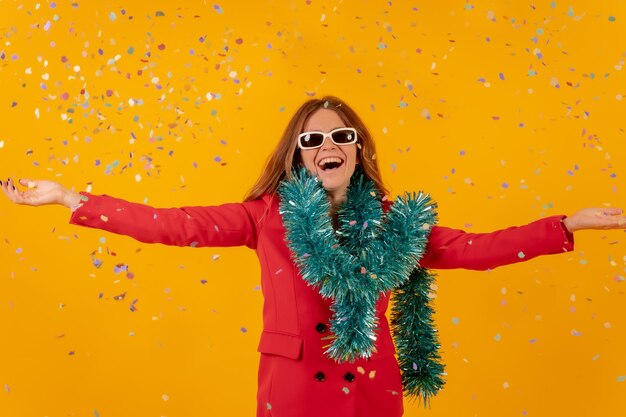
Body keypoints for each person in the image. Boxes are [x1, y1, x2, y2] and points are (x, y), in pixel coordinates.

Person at [1, 96, 625, 417]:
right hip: (295, 388)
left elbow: (475, 250)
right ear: (298, 154)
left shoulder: (395, 224)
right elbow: (174, 225)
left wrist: (565, 224)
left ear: (358, 150)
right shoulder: (264, 218)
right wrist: (70, 199)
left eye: (341, 135)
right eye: (314, 138)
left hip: (372, 387)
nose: (329, 144)